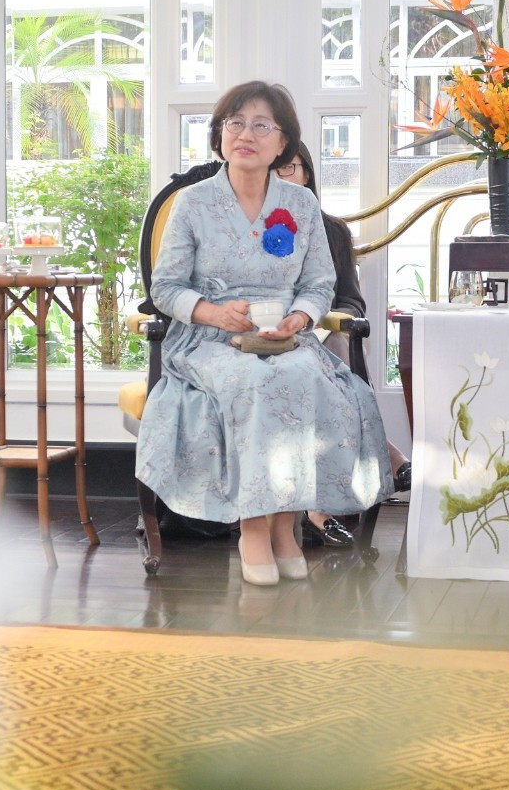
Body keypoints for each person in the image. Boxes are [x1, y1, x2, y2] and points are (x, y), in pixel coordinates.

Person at [137, 82, 392, 585]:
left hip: (286, 338)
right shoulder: (192, 204)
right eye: (234, 123)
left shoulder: (299, 206)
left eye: (260, 125)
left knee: (305, 377)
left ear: (283, 144)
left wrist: (298, 321)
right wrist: (213, 313)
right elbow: (165, 288)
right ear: (219, 136)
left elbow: (319, 284)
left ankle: (285, 526)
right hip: (209, 340)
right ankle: (253, 528)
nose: (245, 134)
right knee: (252, 383)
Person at [274, 140, 411, 549]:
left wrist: (313, 317)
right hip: (267, 335)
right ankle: (390, 461)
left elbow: (351, 300)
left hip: (315, 333)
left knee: (334, 345)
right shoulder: (252, 229)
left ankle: (317, 511)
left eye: (293, 167)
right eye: (276, 169)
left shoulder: (331, 230)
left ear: (309, 173)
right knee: (319, 377)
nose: (286, 177)